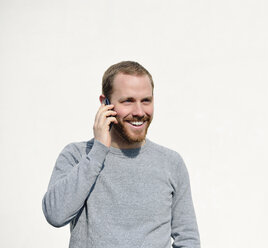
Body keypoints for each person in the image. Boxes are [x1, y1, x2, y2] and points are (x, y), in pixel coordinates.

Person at [42, 61, 200, 248]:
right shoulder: (77, 155)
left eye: (146, 101)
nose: (140, 112)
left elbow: (188, 240)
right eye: (128, 101)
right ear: (105, 104)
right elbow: (55, 214)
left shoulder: (171, 163)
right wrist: (98, 150)